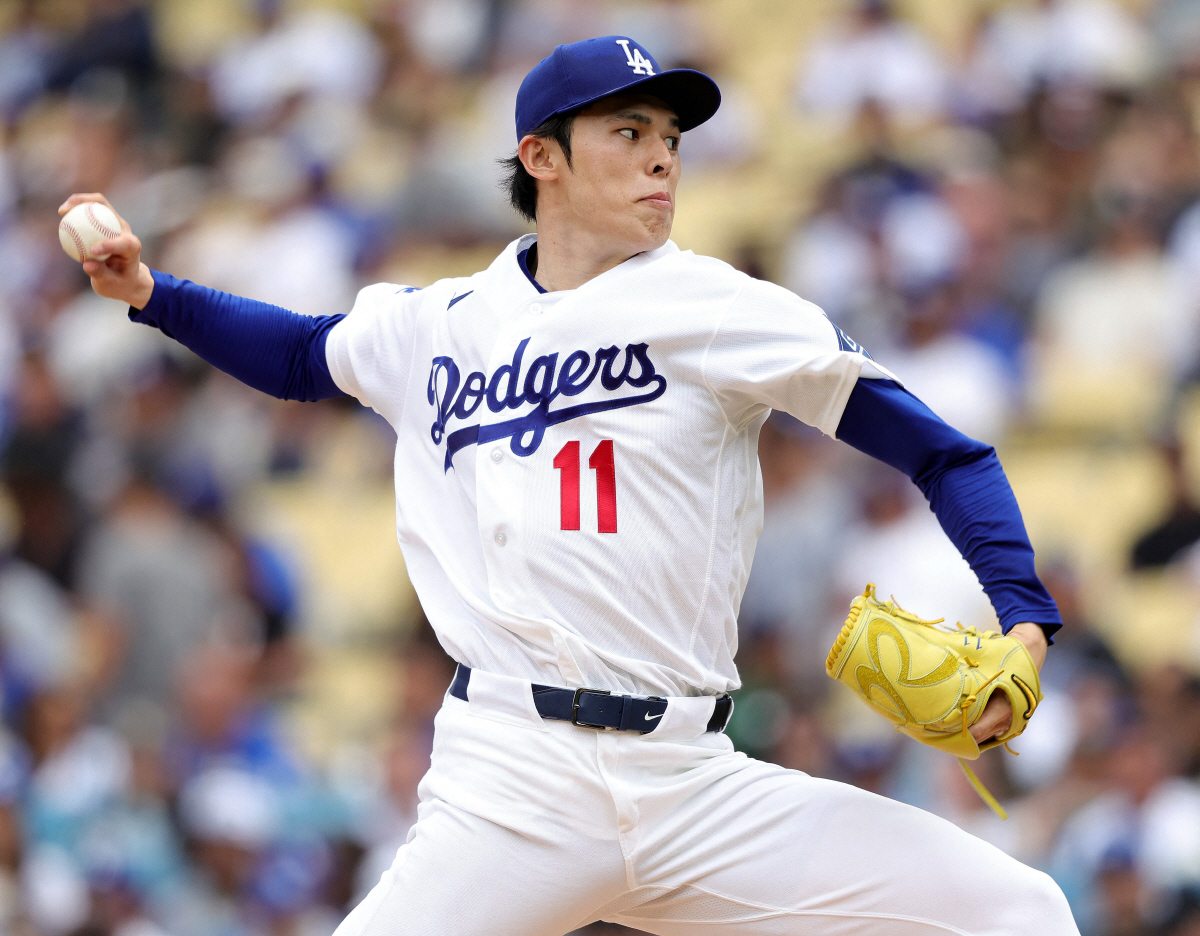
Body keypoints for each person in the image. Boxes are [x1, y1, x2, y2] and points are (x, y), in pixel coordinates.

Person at [61, 35, 1078, 936]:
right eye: (628, 131)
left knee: (1018, 913)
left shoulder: (715, 307)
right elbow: (298, 355)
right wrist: (152, 295)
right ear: (541, 157)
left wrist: (1024, 619)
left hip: (693, 783)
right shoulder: (440, 323)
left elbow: (946, 453)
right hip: (513, 783)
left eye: (671, 135)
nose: (662, 155)